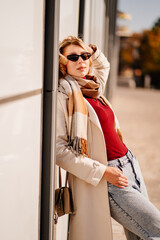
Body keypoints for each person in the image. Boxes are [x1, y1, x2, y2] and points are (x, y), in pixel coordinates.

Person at [56, 36, 160, 240]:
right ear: (62, 63)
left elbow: (103, 65)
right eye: (73, 57)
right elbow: (59, 151)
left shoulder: (93, 87)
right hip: (110, 177)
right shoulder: (65, 94)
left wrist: (89, 48)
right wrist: (104, 172)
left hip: (131, 164)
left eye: (85, 56)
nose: (81, 61)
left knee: (140, 236)